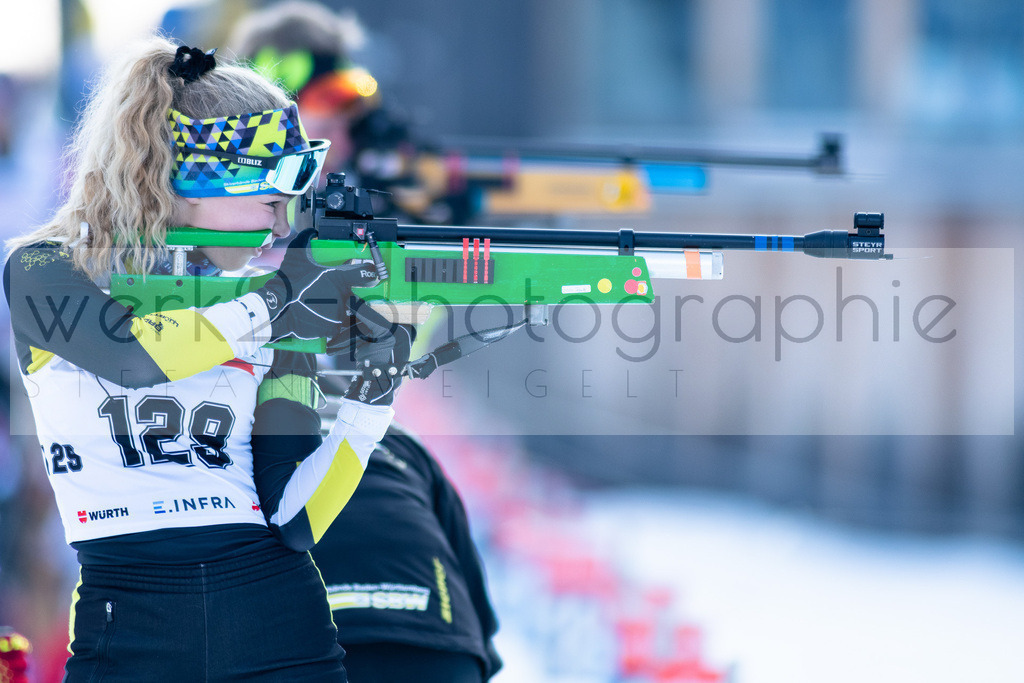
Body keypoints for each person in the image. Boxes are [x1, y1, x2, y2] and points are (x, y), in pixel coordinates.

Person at [3, 39, 406, 681]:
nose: (280, 230)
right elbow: (128, 356)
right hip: (126, 628)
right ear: (192, 182)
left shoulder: (263, 302)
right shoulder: (45, 269)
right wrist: (275, 303)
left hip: (282, 628)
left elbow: (292, 518)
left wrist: (370, 399)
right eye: (271, 200)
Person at [230, 6, 503, 680]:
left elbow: (403, 326)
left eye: (346, 121)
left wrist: (423, 199)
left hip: (359, 459)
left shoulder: (367, 225)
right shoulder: (213, 227)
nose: (341, 140)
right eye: (321, 116)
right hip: (246, 491)